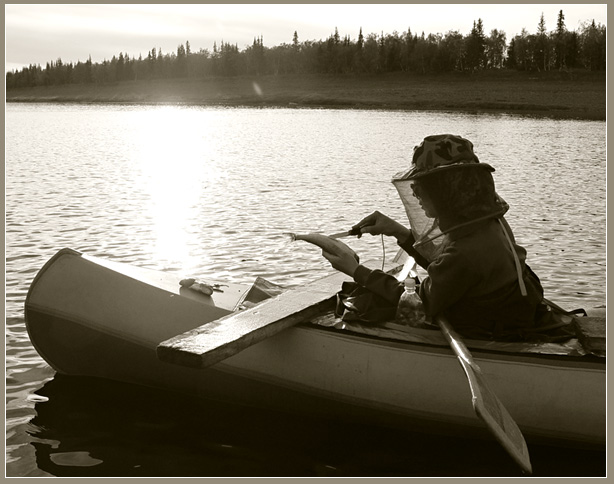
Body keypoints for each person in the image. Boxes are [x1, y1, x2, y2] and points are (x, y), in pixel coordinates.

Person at [322, 134, 549, 341]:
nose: (415, 195)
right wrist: (398, 232)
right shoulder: (487, 222)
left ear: (445, 192)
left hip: (488, 328)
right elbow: (445, 266)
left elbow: (417, 302)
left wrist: (356, 271)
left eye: (421, 188)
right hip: (511, 309)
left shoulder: (466, 250)